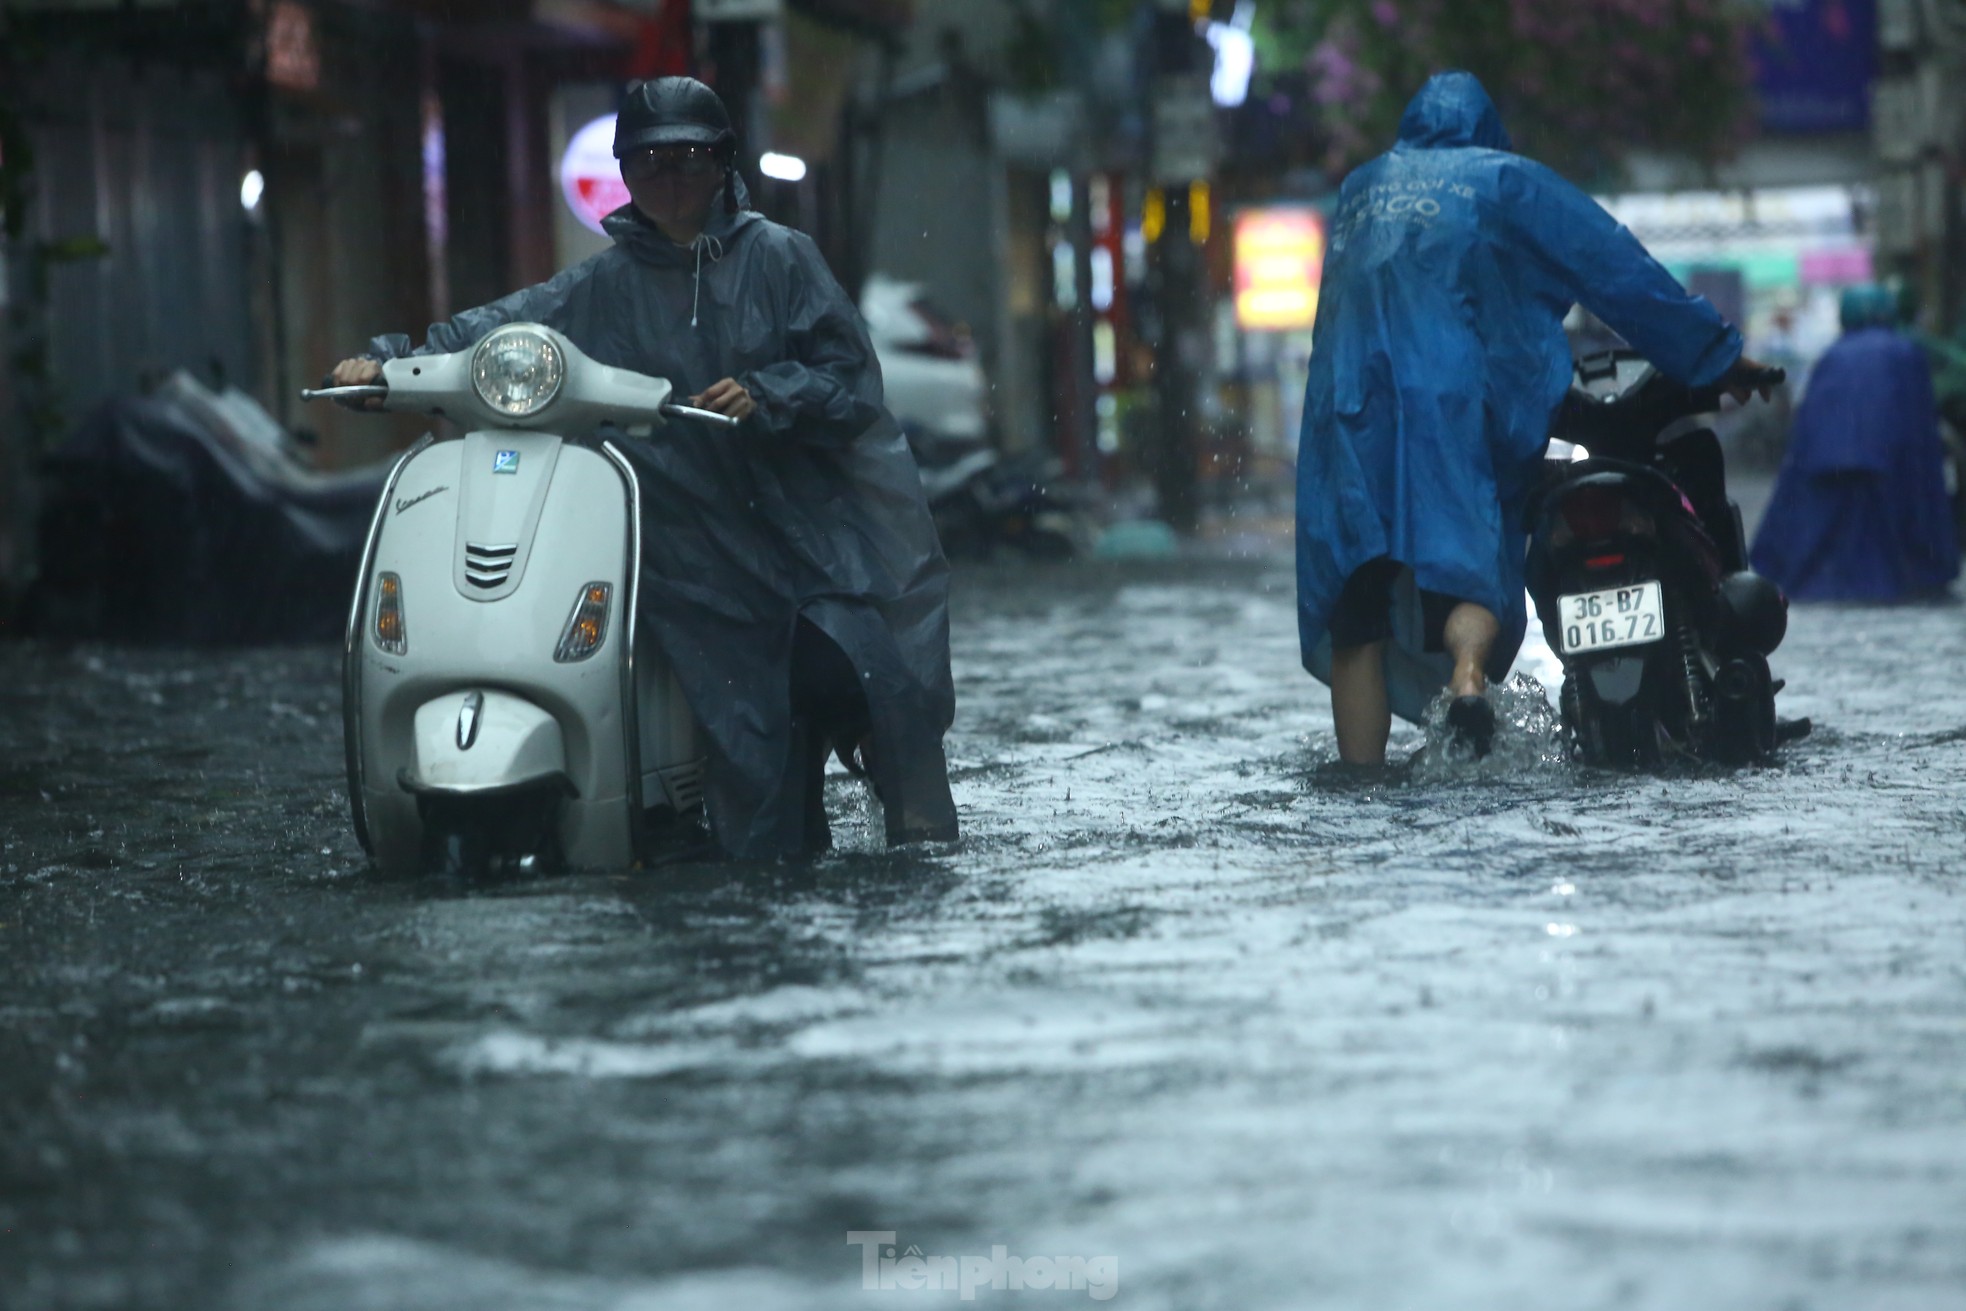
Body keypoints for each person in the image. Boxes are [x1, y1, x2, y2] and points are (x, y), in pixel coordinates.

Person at [329, 76, 958, 859]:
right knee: (749, 755)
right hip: (692, 560)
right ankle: (768, 893)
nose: (669, 177)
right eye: (649, 161)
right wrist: (387, 364)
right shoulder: (604, 285)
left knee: (877, 682)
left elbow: (851, 379)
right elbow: (496, 326)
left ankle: (915, 860)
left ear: (723, 164)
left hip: (810, 540)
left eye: (689, 157)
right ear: (626, 173)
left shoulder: (782, 259)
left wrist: (771, 393)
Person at [1296, 71, 1771, 765]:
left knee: (1356, 611)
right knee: (1470, 569)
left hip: (1346, 413)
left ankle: (1362, 781)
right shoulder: (1504, 182)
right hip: (1451, 410)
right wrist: (1718, 357)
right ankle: (1466, 676)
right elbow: (1615, 269)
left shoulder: (1360, 190)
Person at [1748, 285, 1961, 601]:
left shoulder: (1833, 354)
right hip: (1886, 459)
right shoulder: (1903, 352)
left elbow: (1810, 417)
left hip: (1828, 458)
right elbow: (1918, 422)